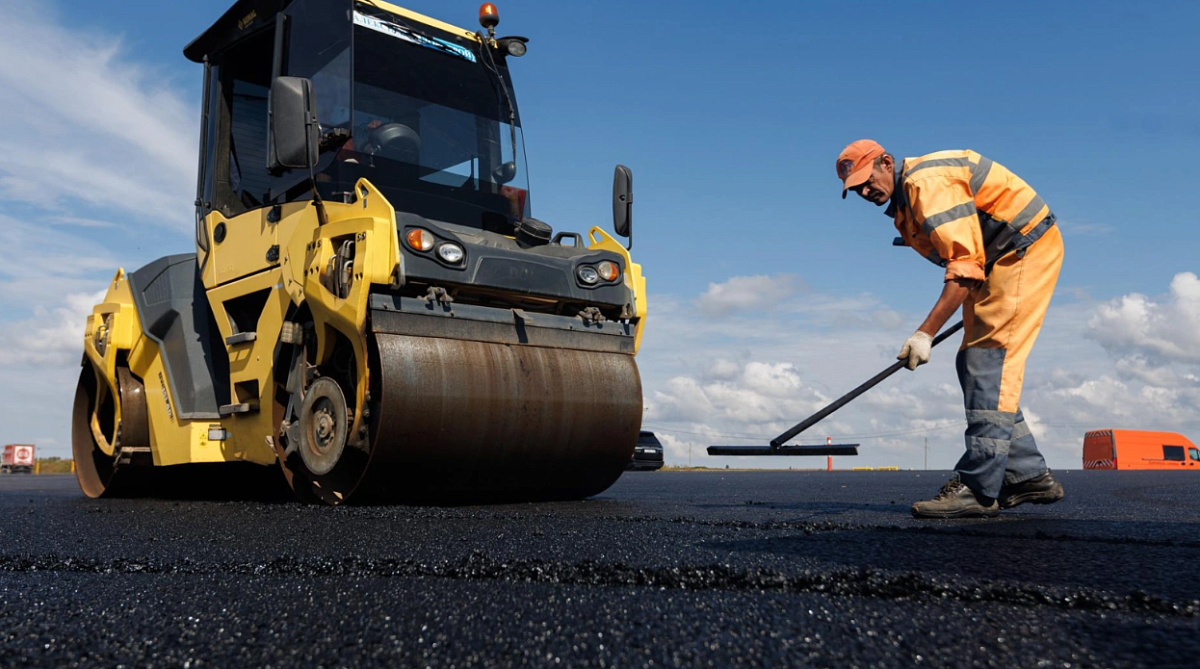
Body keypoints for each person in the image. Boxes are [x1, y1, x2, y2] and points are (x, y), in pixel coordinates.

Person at [837, 139, 1065, 518]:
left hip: (1020, 250)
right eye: (855, 188)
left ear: (887, 162)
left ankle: (978, 488)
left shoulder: (927, 184)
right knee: (973, 364)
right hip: (997, 262)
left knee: (990, 363)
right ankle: (1027, 475)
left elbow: (964, 265)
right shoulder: (905, 207)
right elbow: (967, 261)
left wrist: (925, 332)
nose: (864, 190)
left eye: (866, 179)